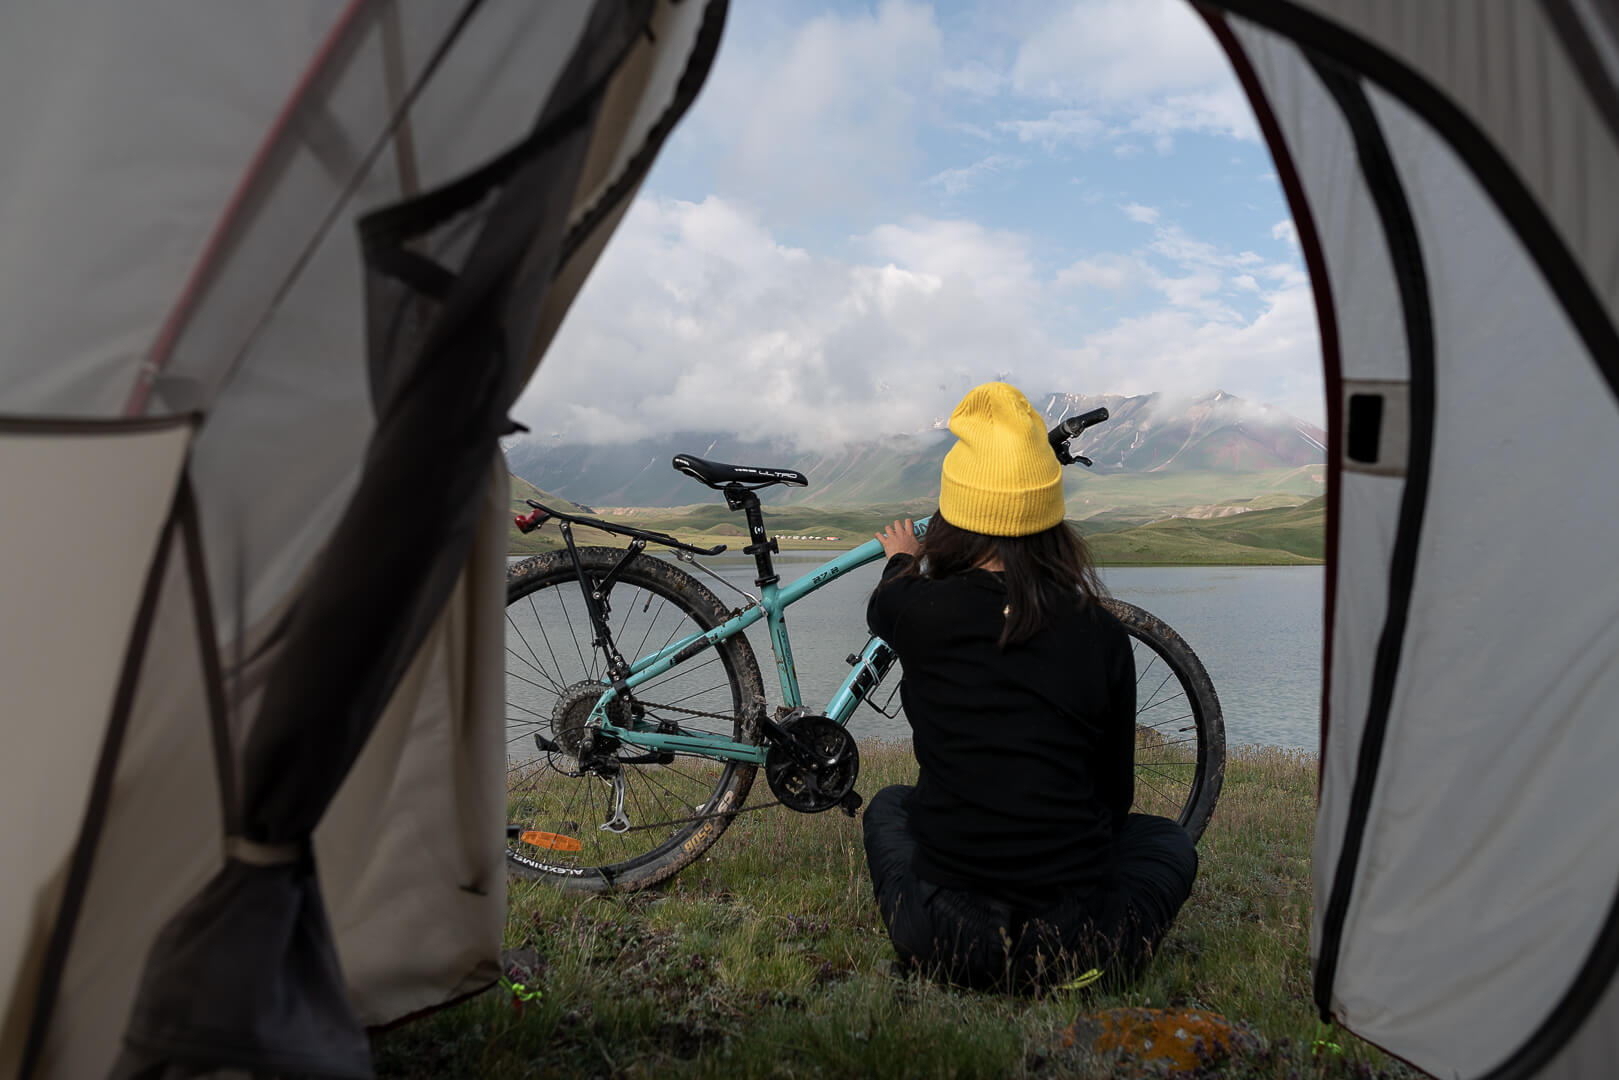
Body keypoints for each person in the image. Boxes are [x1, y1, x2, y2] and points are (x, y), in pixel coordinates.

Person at [861, 381, 1197, 992]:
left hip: (944, 937)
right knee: (1167, 842)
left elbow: (886, 603)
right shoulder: (1100, 634)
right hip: (1074, 939)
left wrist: (902, 559)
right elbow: (1113, 800)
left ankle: (937, 960)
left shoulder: (916, 611)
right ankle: (1081, 971)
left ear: (953, 520)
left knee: (888, 807)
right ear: (1051, 523)